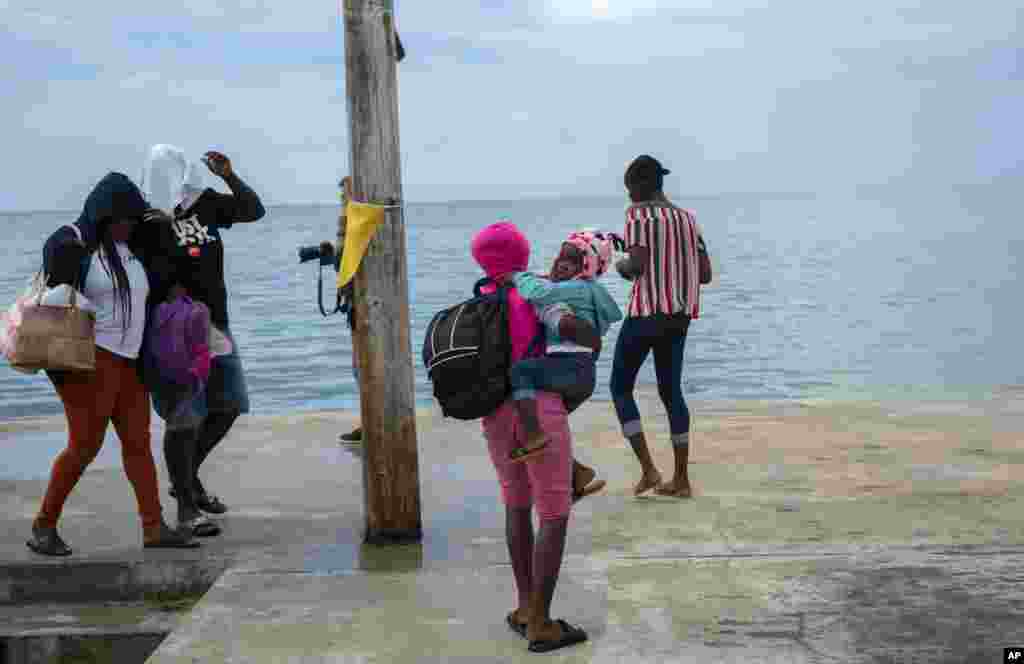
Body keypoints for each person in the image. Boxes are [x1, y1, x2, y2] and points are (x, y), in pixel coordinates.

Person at [27, 173, 198, 556]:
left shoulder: (132, 248)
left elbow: (167, 271)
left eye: (134, 219)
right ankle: (43, 526)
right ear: (104, 215)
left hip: (129, 363)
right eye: (124, 218)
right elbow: (57, 282)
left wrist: (164, 228)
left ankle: (154, 529)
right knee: (85, 446)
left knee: (138, 444)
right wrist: (72, 246)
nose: (130, 225)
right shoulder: (73, 242)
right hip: (88, 362)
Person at [472, 221, 590, 653]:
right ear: (523, 253)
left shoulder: (482, 297)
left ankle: (525, 608)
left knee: (516, 505)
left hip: (495, 413)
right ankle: (542, 624)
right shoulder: (537, 289)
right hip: (539, 408)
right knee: (555, 513)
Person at [140, 145, 265, 532]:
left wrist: (228, 175)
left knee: (229, 405)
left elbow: (252, 210)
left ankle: (186, 481)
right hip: (170, 332)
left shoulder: (205, 203)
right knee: (184, 417)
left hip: (215, 324)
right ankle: (186, 510)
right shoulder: (142, 216)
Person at [610, 155, 713, 499]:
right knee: (671, 393)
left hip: (646, 314)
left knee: (620, 387)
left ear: (641, 186)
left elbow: (636, 266)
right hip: (678, 317)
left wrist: (620, 264)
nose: (628, 197)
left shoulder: (638, 215)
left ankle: (650, 470)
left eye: (630, 190)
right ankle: (681, 479)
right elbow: (705, 274)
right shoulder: (689, 219)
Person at [506, 230, 624, 469]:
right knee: (551, 424)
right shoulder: (589, 291)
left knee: (520, 372)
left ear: (587, 268)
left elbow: (537, 293)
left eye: (569, 263)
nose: (561, 266)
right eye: (559, 259)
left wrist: (518, 276)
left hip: (566, 366)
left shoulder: (577, 288)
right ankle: (577, 476)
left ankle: (533, 436)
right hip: (584, 376)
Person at [322, 176, 362, 444]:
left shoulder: (353, 217)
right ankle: (369, 419)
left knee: (363, 365)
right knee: (360, 366)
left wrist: (335, 257)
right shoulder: (350, 218)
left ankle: (372, 421)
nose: (341, 198)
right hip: (357, 299)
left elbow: (345, 256)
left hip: (363, 300)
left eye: (343, 194)